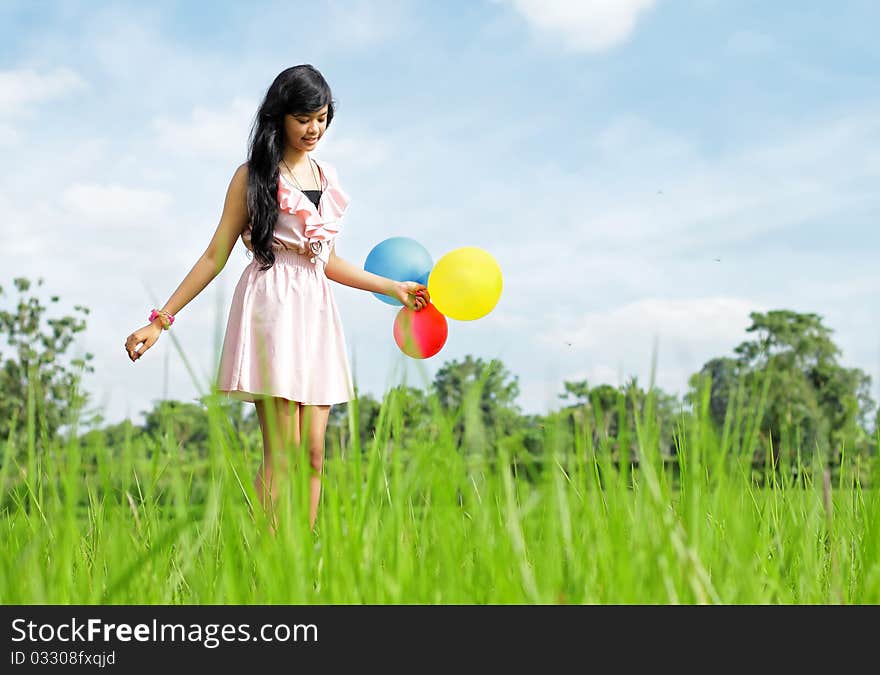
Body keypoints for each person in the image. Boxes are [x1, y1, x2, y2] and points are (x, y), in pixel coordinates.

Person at [123, 64, 428, 534]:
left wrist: (393, 288)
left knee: (313, 453)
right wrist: (161, 320)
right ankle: (262, 563)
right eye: (304, 118)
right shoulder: (253, 176)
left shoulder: (327, 177)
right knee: (282, 452)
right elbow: (214, 255)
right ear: (280, 117)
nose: (314, 129)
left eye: (322, 118)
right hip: (272, 303)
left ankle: (300, 563)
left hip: (316, 306)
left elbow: (326, 261)